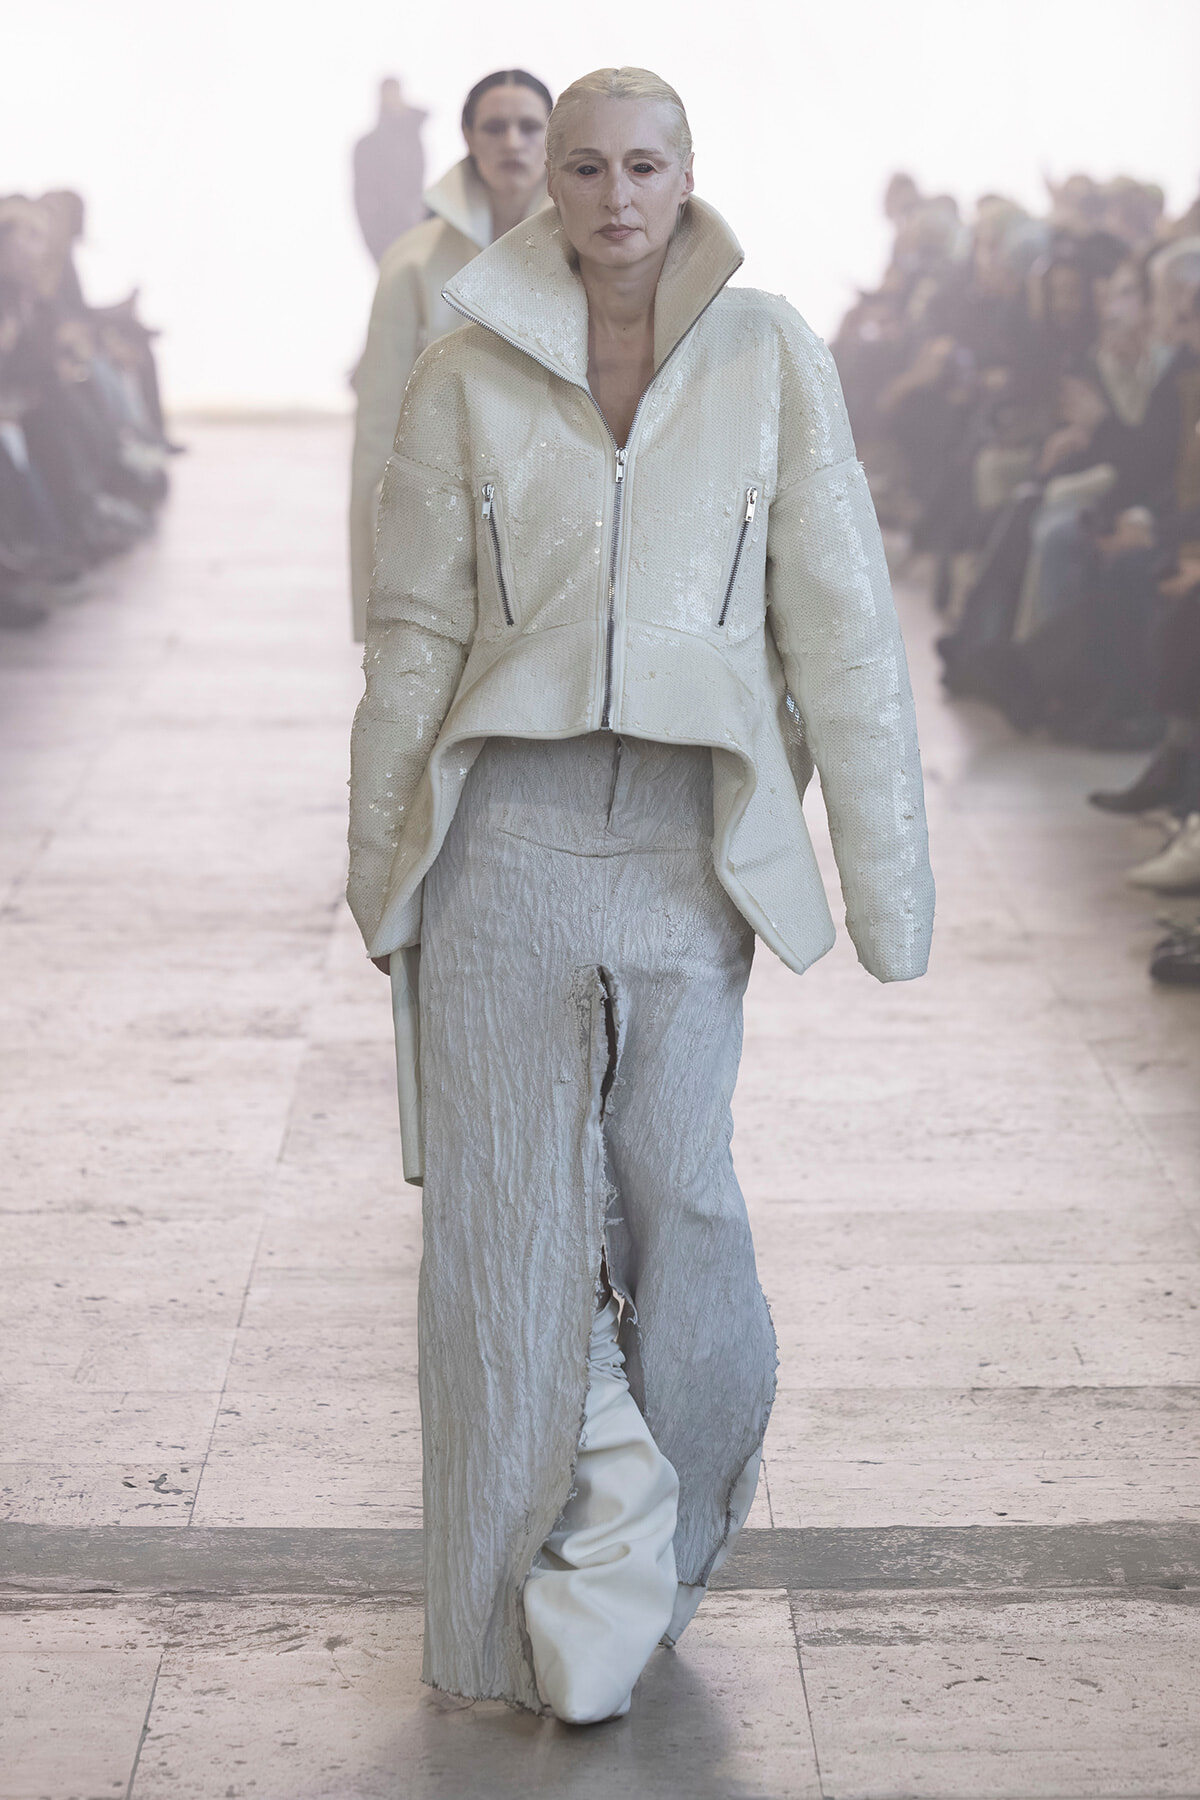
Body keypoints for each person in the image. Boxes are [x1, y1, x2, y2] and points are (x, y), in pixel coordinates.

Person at [347, 66, 934, 1722]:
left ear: (690, 175)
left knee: (685, 1213)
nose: (614, 197)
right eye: (587, 167)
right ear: (545, 185)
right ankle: (483, 1630)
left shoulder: (766, 360)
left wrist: (882, 879)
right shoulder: (465, 368)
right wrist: (377, 850)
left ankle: (653, 1567)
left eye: (644, 165)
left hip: (690, 834)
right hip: (504, 835)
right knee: (497, 1239)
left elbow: (842, 615)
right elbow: (416, 631)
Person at [348, 69, 552, 639]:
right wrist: (373, 587)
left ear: (554, 136)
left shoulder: (596, 256)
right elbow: (378, 423)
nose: (512, 141)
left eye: (529, 126)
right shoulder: (412, 264)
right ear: (467, 135)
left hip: (559, 531)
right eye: (495, 126)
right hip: (439, 529)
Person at [352, 78, 428, 266]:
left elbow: (418, 186)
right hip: (385, 236)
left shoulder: (412, 139)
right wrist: (378, 244)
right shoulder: (367, 146)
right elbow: (362, 199)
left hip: (415, 230)